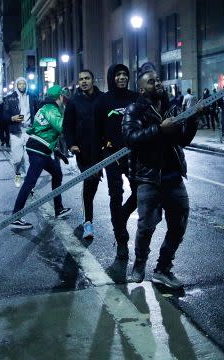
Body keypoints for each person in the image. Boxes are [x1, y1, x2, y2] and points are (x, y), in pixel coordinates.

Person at [122, 63, 200, 289]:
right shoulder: (134, 110)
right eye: (151, 81)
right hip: (149, 179)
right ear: (142, 89)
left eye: (158, 80)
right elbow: (130, 138)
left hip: (174, 177)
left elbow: (183, 140)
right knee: (146, 226)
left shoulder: (171, 109)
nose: (158, 84)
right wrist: (159, 129)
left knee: (179, 224)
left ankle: (163, 268)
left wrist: (193, 119)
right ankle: (139, 265)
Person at [9, 85, 71, 229]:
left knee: (57, 173)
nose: (65, 99)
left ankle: (58, 208)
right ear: (59, 97)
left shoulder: (44, 108)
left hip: (39, 148)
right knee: (30, 182)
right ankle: (15, 215)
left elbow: (46, 132)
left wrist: (57, 151)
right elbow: (61, 127)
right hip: (38, 150)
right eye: (63, 96)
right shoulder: (51, 109)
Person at [93, 64, 139, 258]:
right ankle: (121, 237)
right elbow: (96, 130)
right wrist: (99, 158)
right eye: (118, 74)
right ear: (112, 77)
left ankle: (121, 216)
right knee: (115, 195)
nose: (122, 77)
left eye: (124, 74)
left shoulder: (135, 98)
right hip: (111, 155)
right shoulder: (103, 100)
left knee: (140, 190)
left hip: (134, 153)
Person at [64, 69, 103, 240]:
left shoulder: (103, 98)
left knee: (94, 185)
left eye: (87, 78)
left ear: (93, 80)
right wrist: (71, 144)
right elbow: (67, 126)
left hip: (102, 150)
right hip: (83, 151)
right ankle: (88, 222)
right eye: (81, 79)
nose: (84, 81)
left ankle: (87, 213)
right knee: (89, 181)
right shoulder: (73, 102)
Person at [3, 77, 39, 187]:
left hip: (29, 131)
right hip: (16, 131)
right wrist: (12, 118)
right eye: (20, 84)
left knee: (29, 159)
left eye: (24, 84)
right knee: (17, 159)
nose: (22, 86)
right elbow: (4, 115)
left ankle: (29, 184)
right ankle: (18, 174)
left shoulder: (32, 96)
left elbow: (38, 111)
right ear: (16, 85)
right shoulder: (10, 98)